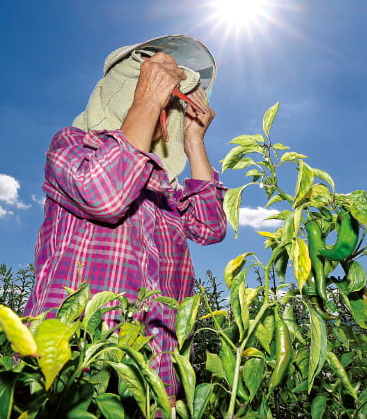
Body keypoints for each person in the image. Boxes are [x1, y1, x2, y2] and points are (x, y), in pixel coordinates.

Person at [23, 35, 227, 400]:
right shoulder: (73, 146)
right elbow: (106, 195)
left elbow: (210, 228)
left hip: (155, 370)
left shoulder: (162, 187)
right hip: (77, 355)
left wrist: (194, 140)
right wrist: (148, 99)